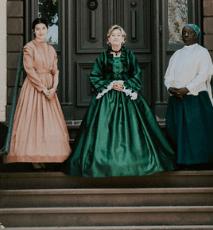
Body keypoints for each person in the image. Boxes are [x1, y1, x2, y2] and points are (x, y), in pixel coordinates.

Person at [63, 25, 176, 177]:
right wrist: (110, 84)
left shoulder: (130, 56)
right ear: (108, 40)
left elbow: (136, 75)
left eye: (119, 35)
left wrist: (124, 84)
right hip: (107, 98)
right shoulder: (102, 58)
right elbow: (95, 76)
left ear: (123, 39)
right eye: (113, 35)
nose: (116, 38)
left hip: (127, 96)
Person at [4, 17, 71, 165]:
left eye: (43, 28)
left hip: (50, 89)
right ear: (33, 31)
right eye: (37, 29)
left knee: (49, 123)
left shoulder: (51, 49)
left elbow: (55, 71)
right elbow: (30, 70)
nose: (41, 32)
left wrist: (53, 88)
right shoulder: (29, 47)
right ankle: (34, 158)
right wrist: (43, 89)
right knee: (33, 122)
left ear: (47, 30)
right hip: (34, 88)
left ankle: (47, 156)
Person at [164, 24, 213, 166]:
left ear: (197, 35)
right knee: (176, 130)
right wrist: (170, 88)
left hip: (195, 99)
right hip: (177, 98)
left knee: (196, 131)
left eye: (190, 32)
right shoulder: (177, 54)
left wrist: (187, 88)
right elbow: (168, 75)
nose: (186, 35)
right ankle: (181, 160)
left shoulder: (202, 52)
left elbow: (203, 75)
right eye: (184, 32)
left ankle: (199, 161)